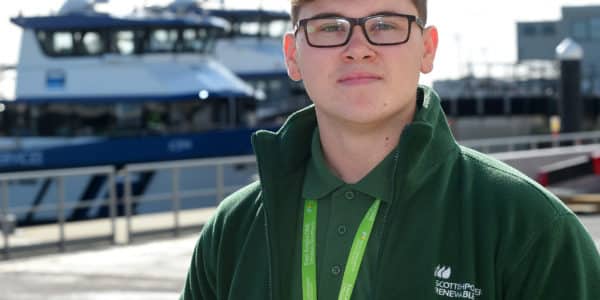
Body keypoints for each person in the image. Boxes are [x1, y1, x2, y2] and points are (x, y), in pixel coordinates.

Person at [180, 0, 600, 299]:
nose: (357, 47)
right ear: (293, 55)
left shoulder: (531, 228)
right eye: (328, 26)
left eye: (384, 24)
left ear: (427, 48)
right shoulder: (231, 231)